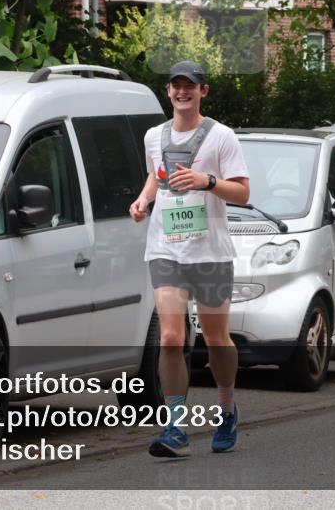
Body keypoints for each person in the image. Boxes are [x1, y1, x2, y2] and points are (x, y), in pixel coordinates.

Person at [129, 60, 250, 457]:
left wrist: (207, 181)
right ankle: (175, 425)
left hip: (210, 252)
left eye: (190, 86)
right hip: (165, 248)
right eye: (176, 86)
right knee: (170, 337)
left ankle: (227, 408)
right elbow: (156, 174)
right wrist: (145, 198)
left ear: (204, 91)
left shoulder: (222, 137)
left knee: (216, 339)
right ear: (168, 91)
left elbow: (243, 193)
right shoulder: (153, 136)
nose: (182, 92)